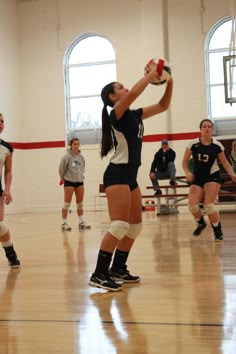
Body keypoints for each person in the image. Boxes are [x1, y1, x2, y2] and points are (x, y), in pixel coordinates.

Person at [89, 62, 173, 291]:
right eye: (121, 88)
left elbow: (163, 105)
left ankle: (117, 269)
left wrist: (169, 80)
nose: (125, 89)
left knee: (135, 226)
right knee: (118, 225)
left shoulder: (135, 114)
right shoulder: (116, 113)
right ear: (112, 96)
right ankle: (98, 274)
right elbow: (136, 92)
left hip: (130, 176)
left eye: (125, 87)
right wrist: (150, 74)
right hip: (117, 174)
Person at [182, 119, 236, 241]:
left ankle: (218, 231)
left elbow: (226, 163)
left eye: (209, 127)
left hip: (212, 176)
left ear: (212, 130)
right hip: (198, 177)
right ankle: (201, 222)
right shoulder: (193, 144)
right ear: (200, 129)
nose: (207, 128)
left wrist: (232, 175)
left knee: (209, 205)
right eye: (204, 126)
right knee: (192, 205)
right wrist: (187, 173)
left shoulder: (217, 145)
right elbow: (184, 162)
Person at [0, 113, 20, 268]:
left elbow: (8, 171)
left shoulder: (7, 148)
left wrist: (7, 189)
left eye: (2, 121)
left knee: (0, 225)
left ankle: (11, 254)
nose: (0, 124)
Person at [59, 138, 91, 231]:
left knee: (80, 204)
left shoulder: (81, 157)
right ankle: (64, 223)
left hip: (80, 182)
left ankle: (81, 222)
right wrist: (64, 180)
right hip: (69, 182)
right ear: (71, 145)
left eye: (78, 144)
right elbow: (61, 170)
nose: (76, 146)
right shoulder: (66, 157)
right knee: (66, 204)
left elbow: (83, 168)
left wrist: (80, 176)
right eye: (75, 144)